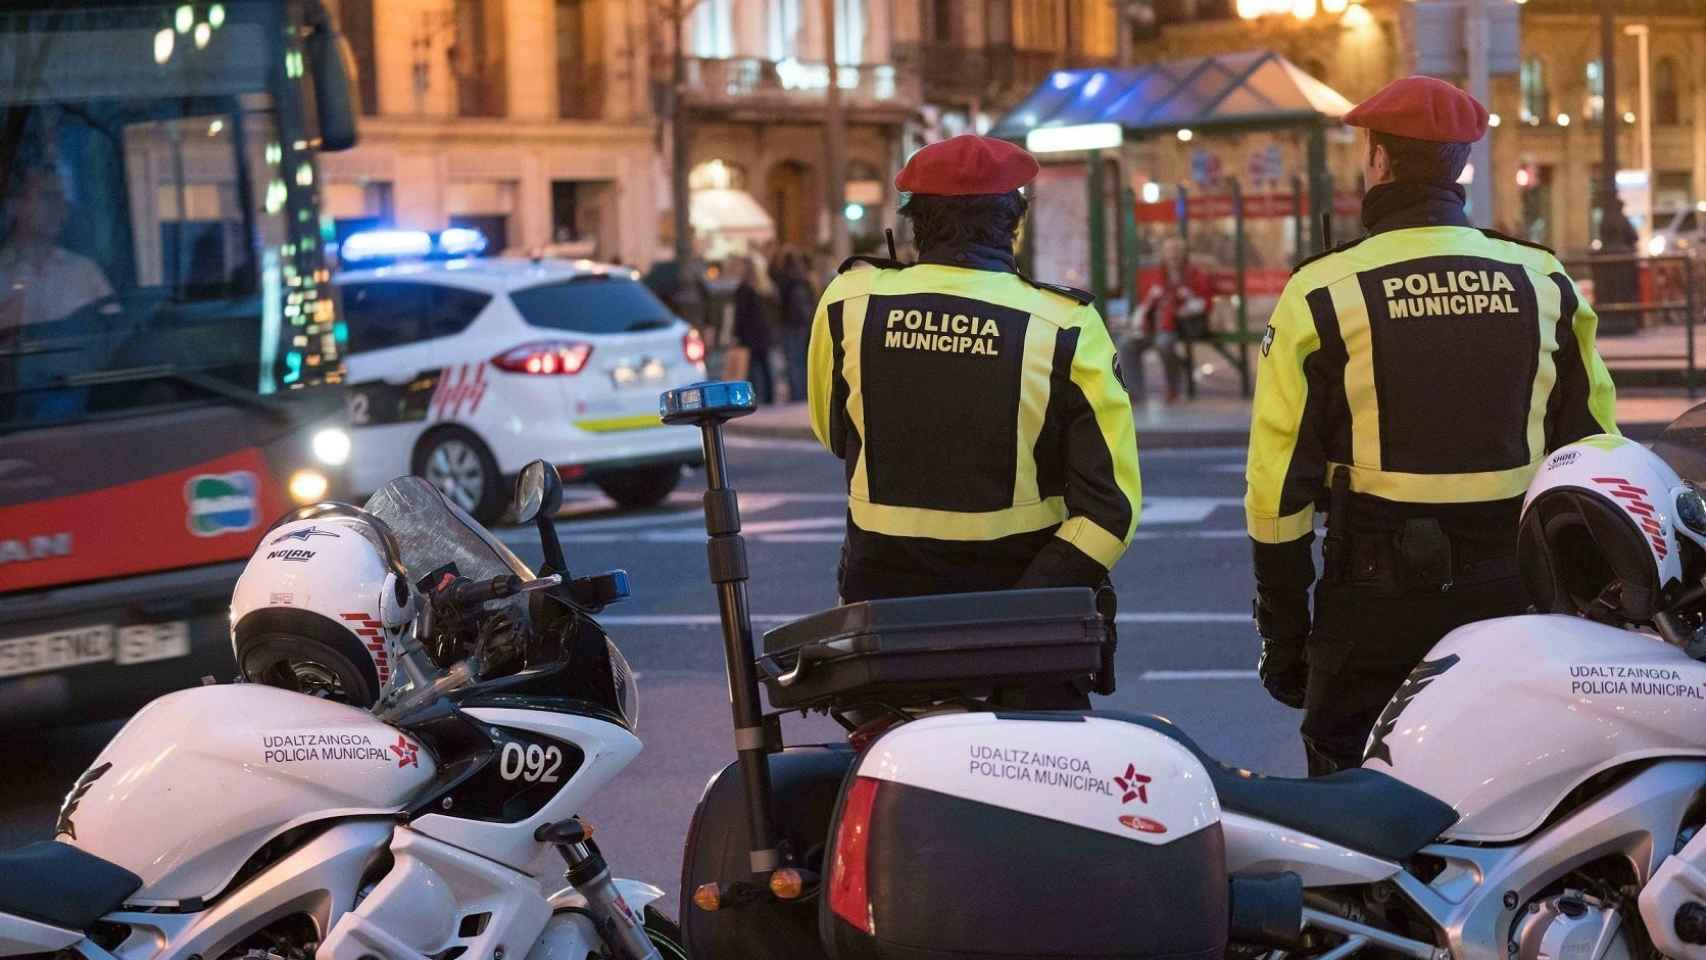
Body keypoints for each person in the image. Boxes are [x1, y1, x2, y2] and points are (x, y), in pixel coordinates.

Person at [1244, 76, 1619, 775]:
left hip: (1373, 605)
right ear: (1460, 167)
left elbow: (1277, 489)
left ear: (1380, 162)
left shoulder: (1323, 290)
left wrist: (1285, 631)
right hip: (1513, 600)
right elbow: (1593, 450)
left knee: (1352, 813)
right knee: (1511, 794)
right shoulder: (1543, 280)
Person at [807, 133, 1143, 608]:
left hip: (881, 604)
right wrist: (1031, 602)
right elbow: (1112, 510)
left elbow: (833, 435)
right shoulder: (1065, 324)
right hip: (1021, 594)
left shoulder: (848, 302)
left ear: (914, 224)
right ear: (1014, 224)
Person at [0, 165, 112, 336]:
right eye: (48, 197)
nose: (59, 207)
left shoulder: (84, 271)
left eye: (63, 199)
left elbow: (114, 333)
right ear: (14, 205)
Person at [1123, 236, 1211, 403]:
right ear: (1163, 254)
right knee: (1127, 345)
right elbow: (1145, 304)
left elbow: (1204, 303)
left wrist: (1186, 304)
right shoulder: (1156, 275)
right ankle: (1134, 392)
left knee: (1164, 343)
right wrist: (1139, 322)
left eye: (1177, 251)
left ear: (1185, 254)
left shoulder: (1195, 275)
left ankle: (1173, 388)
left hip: (1180, 326)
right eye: (1169, 251)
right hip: (1153, 326)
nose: (1173, 256)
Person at [730, 256, 775, 404]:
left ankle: (754, 396)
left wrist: (735, 333)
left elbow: (740, 314)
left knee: (752, 367)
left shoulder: (744, 289)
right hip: (764, 333)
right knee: (765, 365)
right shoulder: (765, 287)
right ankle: (769, 396)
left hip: (750, 334)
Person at [774, 249, 814, 402]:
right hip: (803, 325)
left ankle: (798, 395)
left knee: (793, 362)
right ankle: (803, 393)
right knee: (801, 361)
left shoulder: (786, 282)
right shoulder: (804, 280)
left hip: (790, 325)